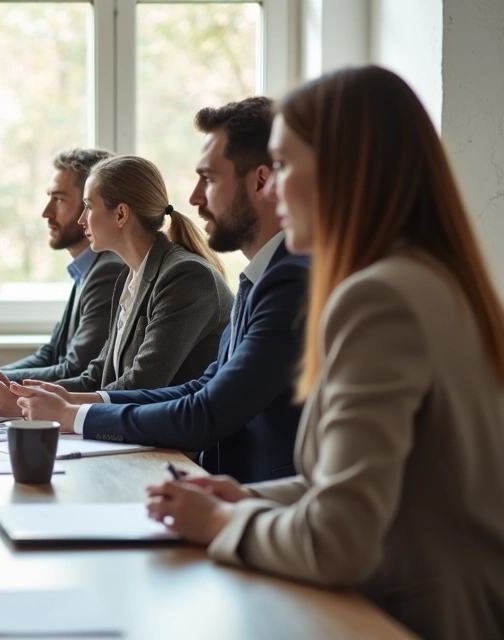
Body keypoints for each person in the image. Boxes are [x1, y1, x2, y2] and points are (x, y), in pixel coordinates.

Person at [146, 66, 504, 639]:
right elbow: (375, 486)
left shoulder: (377, 298)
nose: (273, 187)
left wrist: (219, 521)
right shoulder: (432, 279)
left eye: (284, 165)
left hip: (407, 619)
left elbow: (339, 541)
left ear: (345, 171)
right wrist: (247, 496)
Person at [7, 98, 309, 483]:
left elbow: (205, 412)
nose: (195, 197)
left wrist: (73, 415)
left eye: (209, 179)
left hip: (259, 499)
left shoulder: (286, 280)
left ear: (262, 181)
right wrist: (73, 403)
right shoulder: (259, 278)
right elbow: (204, 385)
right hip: (218, 488)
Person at [0, 155, 232, 413]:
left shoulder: (185, 277)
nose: (81, 219)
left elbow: (143, 383)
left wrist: (34, 405)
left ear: (120, 214)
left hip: (181, 448)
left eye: (88, 206)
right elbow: (96, 377)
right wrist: (18, 390)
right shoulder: (128, 278)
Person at [0, 148, 124, 385]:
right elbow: (51, 353)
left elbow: (77, 368)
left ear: (90, 204)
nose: (46, 212)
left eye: (59, 199)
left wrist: (2, 380)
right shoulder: (86, 269)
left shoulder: (107, 271)